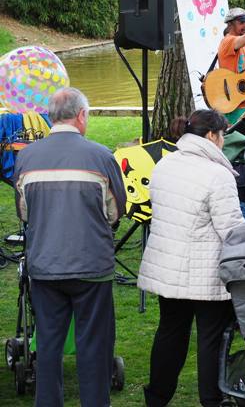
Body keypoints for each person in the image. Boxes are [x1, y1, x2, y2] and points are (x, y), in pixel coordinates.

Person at [13, 87, 126, 407]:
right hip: (91, 266)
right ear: (81, 116)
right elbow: (115, 212)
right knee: (93, 344)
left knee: (48, 344)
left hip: (45, 265)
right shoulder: (101, 156)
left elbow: (25, 212)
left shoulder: (26, 157)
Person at [138, 109, 244, 407]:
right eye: (223, 135)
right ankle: (212, 399)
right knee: (211, 338)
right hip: (206, 272)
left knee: (171, 331)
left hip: (168, 266)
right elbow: (231, 231)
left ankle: (157, 397)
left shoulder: (165, 164)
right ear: (212, 136)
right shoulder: (218, 174)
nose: (224, 141)